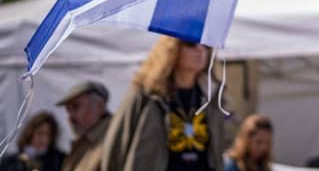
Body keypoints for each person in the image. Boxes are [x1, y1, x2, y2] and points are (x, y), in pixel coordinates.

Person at [102, 36, 225, 171]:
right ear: (171, 48)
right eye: (190, 43)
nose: (200, 49)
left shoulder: (212, 97)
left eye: (206, 45)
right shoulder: (146, 94)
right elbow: (116, 146)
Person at [57, 80, 111, 171]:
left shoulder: (113, 138)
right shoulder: (84, 140)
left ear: (100, 106)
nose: (70, 116)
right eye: (68, 110)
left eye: (76, 106)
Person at [0, 111, 65, 171]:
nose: (43, 139)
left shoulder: (58, 161)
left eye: (48, 135)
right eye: (40, 133)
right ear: (30, 133)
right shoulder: (10, 162)